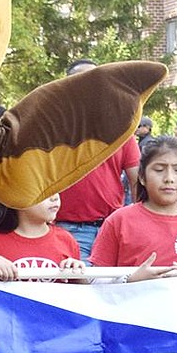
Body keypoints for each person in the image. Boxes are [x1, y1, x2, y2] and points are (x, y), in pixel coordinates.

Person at [89, 135, 177, 277]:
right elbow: (96, 281)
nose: (169, 179)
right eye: (159, 170)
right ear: (142, 177)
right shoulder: (119, 221)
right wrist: (131, 280)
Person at [53, 61, 141, 259]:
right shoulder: (53, 129)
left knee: (114, 287)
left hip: (112, 227)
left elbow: (138, 181)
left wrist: (138, 223)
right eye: (83, 81)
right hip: (66, 229)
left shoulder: (121, 129)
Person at [0, 195, 84, 281]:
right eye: (44, 192)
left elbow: (82, 294)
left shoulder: (66, 240)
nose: (54, 197)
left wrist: (78, 273)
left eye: (56, 190)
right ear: (15, 197)